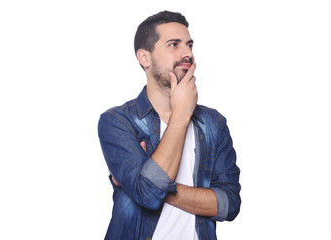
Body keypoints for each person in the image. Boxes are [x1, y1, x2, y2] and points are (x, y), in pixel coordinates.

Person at [98, 10, 241, 240]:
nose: (187, 54)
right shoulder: (117, 121)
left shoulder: (214, 123)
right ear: (144, 57)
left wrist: (144, 184)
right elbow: (148, 195)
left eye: (189, 45)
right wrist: (182, 114)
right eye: (174, 45)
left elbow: (229, 204)